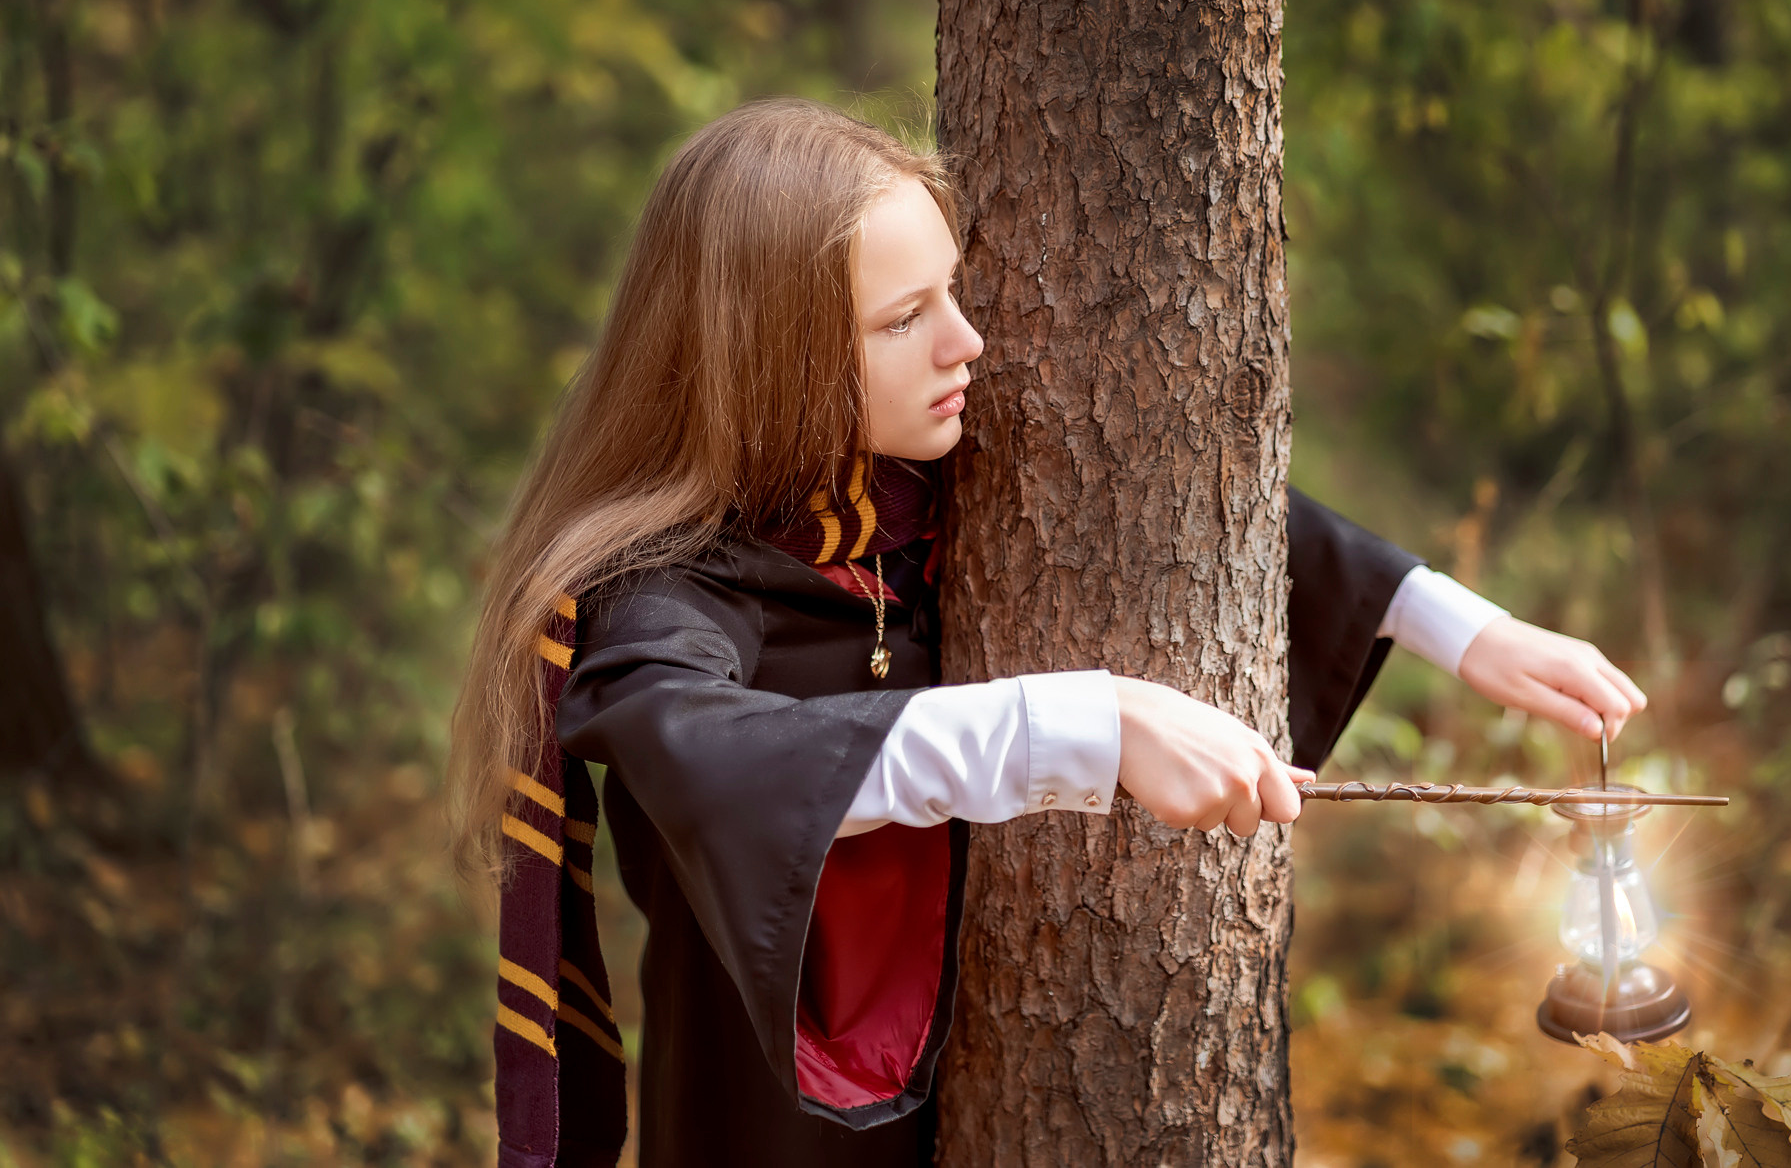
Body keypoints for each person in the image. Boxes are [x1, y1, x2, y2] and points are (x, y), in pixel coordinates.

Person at [449, 99, 1647, 1168]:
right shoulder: (667, 593)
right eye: (904, 316)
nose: (964, 341)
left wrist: (1456, 625)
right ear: (774, 360)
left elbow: (1185, 513)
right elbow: (713, 752)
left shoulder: (920, 486)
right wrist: (1086, 722)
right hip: (781, 1126)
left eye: (953, 293)